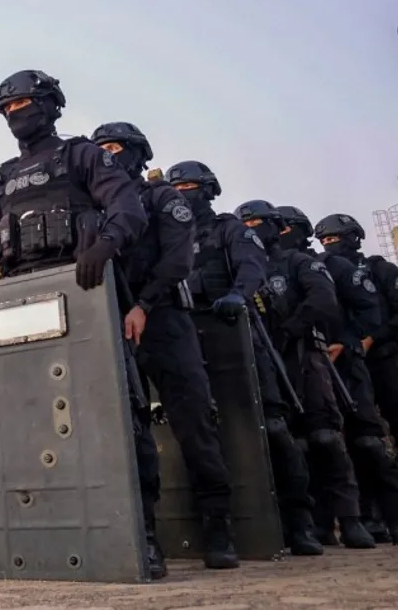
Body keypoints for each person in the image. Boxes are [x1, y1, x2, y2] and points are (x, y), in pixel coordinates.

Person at [0, 70, 161, 574]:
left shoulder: (83, 156)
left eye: (22, 103)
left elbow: (127, 206)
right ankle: (43, 536)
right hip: (20, 302)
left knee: (119, 419)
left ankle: (142, 537)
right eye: (6, 109)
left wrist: (106, 245)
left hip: (86, 293)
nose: (14, 114)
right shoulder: (1, 180)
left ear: (49, 105)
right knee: (27, 422)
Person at [92, 122, 238, 571]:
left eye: (114, 147)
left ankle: (218, 529)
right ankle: (146, 538)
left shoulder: (161, 198)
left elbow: (178, 259)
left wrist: (144, 304)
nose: (107, 156)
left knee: (194, 423)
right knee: (129, 433)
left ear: (137, 153)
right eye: (100, 150)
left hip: (164, 319)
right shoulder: (96, 207)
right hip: (114, 321)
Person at [167, 160, 317, 565]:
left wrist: (239, 294)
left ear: (208, 190)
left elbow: (253, 267)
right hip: (186, 337)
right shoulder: (168, 235)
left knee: (272, 428)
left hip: (234, 334)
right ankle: (217, 528)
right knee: (197, 431)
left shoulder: (229, 230)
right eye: (175, 188)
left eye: (189, 186)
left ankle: (299, 522)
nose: (181, 194)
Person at [237, 200, 375, 549]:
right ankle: (308, 523)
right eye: (246, 225)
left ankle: (350, 519)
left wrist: (291, 328)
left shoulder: (298, 262)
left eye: (258, 223)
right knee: (288, 441)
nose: (252, 230)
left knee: (325, 437)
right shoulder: (245, 265)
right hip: (264, 359)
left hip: (304, 354)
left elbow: (323, 299)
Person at [314, 214, 398, 542]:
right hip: (348, 361)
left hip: (385, 360)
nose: (329, 245)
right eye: (324, 240)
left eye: (335, 238)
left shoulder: (380, 270)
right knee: (358, 440)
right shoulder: (325, 269)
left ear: (354, 237)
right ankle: (368, 516)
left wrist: (371, 339)